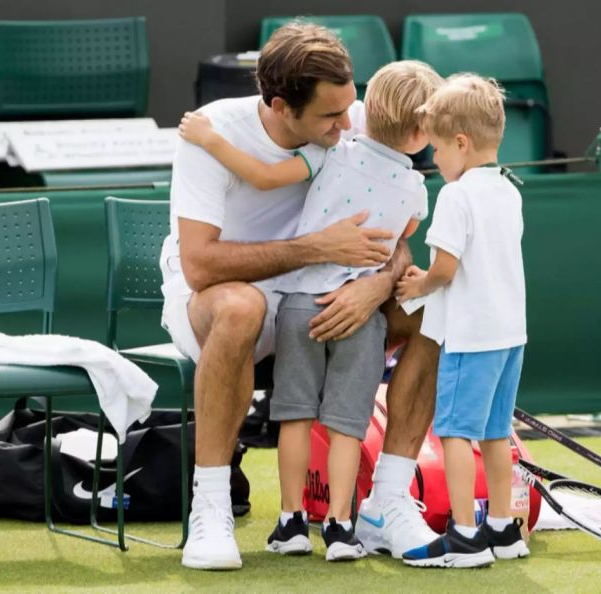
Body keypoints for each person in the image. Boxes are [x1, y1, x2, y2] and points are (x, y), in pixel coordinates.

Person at [161, 22, 441, 571]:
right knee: (244, 306)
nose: (347, 125)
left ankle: (386, 502)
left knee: (431, 309)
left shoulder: (356, 120)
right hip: (222, 299)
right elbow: (200, 266)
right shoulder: (214, 132)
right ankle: (211, 506)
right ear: (281, 106)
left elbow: (395, 239)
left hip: (328, 297)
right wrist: (314, 248)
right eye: (330, 118)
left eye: (349, 108)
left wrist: (376, 286)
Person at [395, 73, 529, 568]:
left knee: (454, 433)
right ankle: (502, 528)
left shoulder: (456, 196)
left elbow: (445, 269)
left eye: (437, 149)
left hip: (471, 339)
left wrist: (416, 285)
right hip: (510, 336)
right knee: (495, 434)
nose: (434, 160)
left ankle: (465, 535)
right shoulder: (508, 191)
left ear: (461, 142)